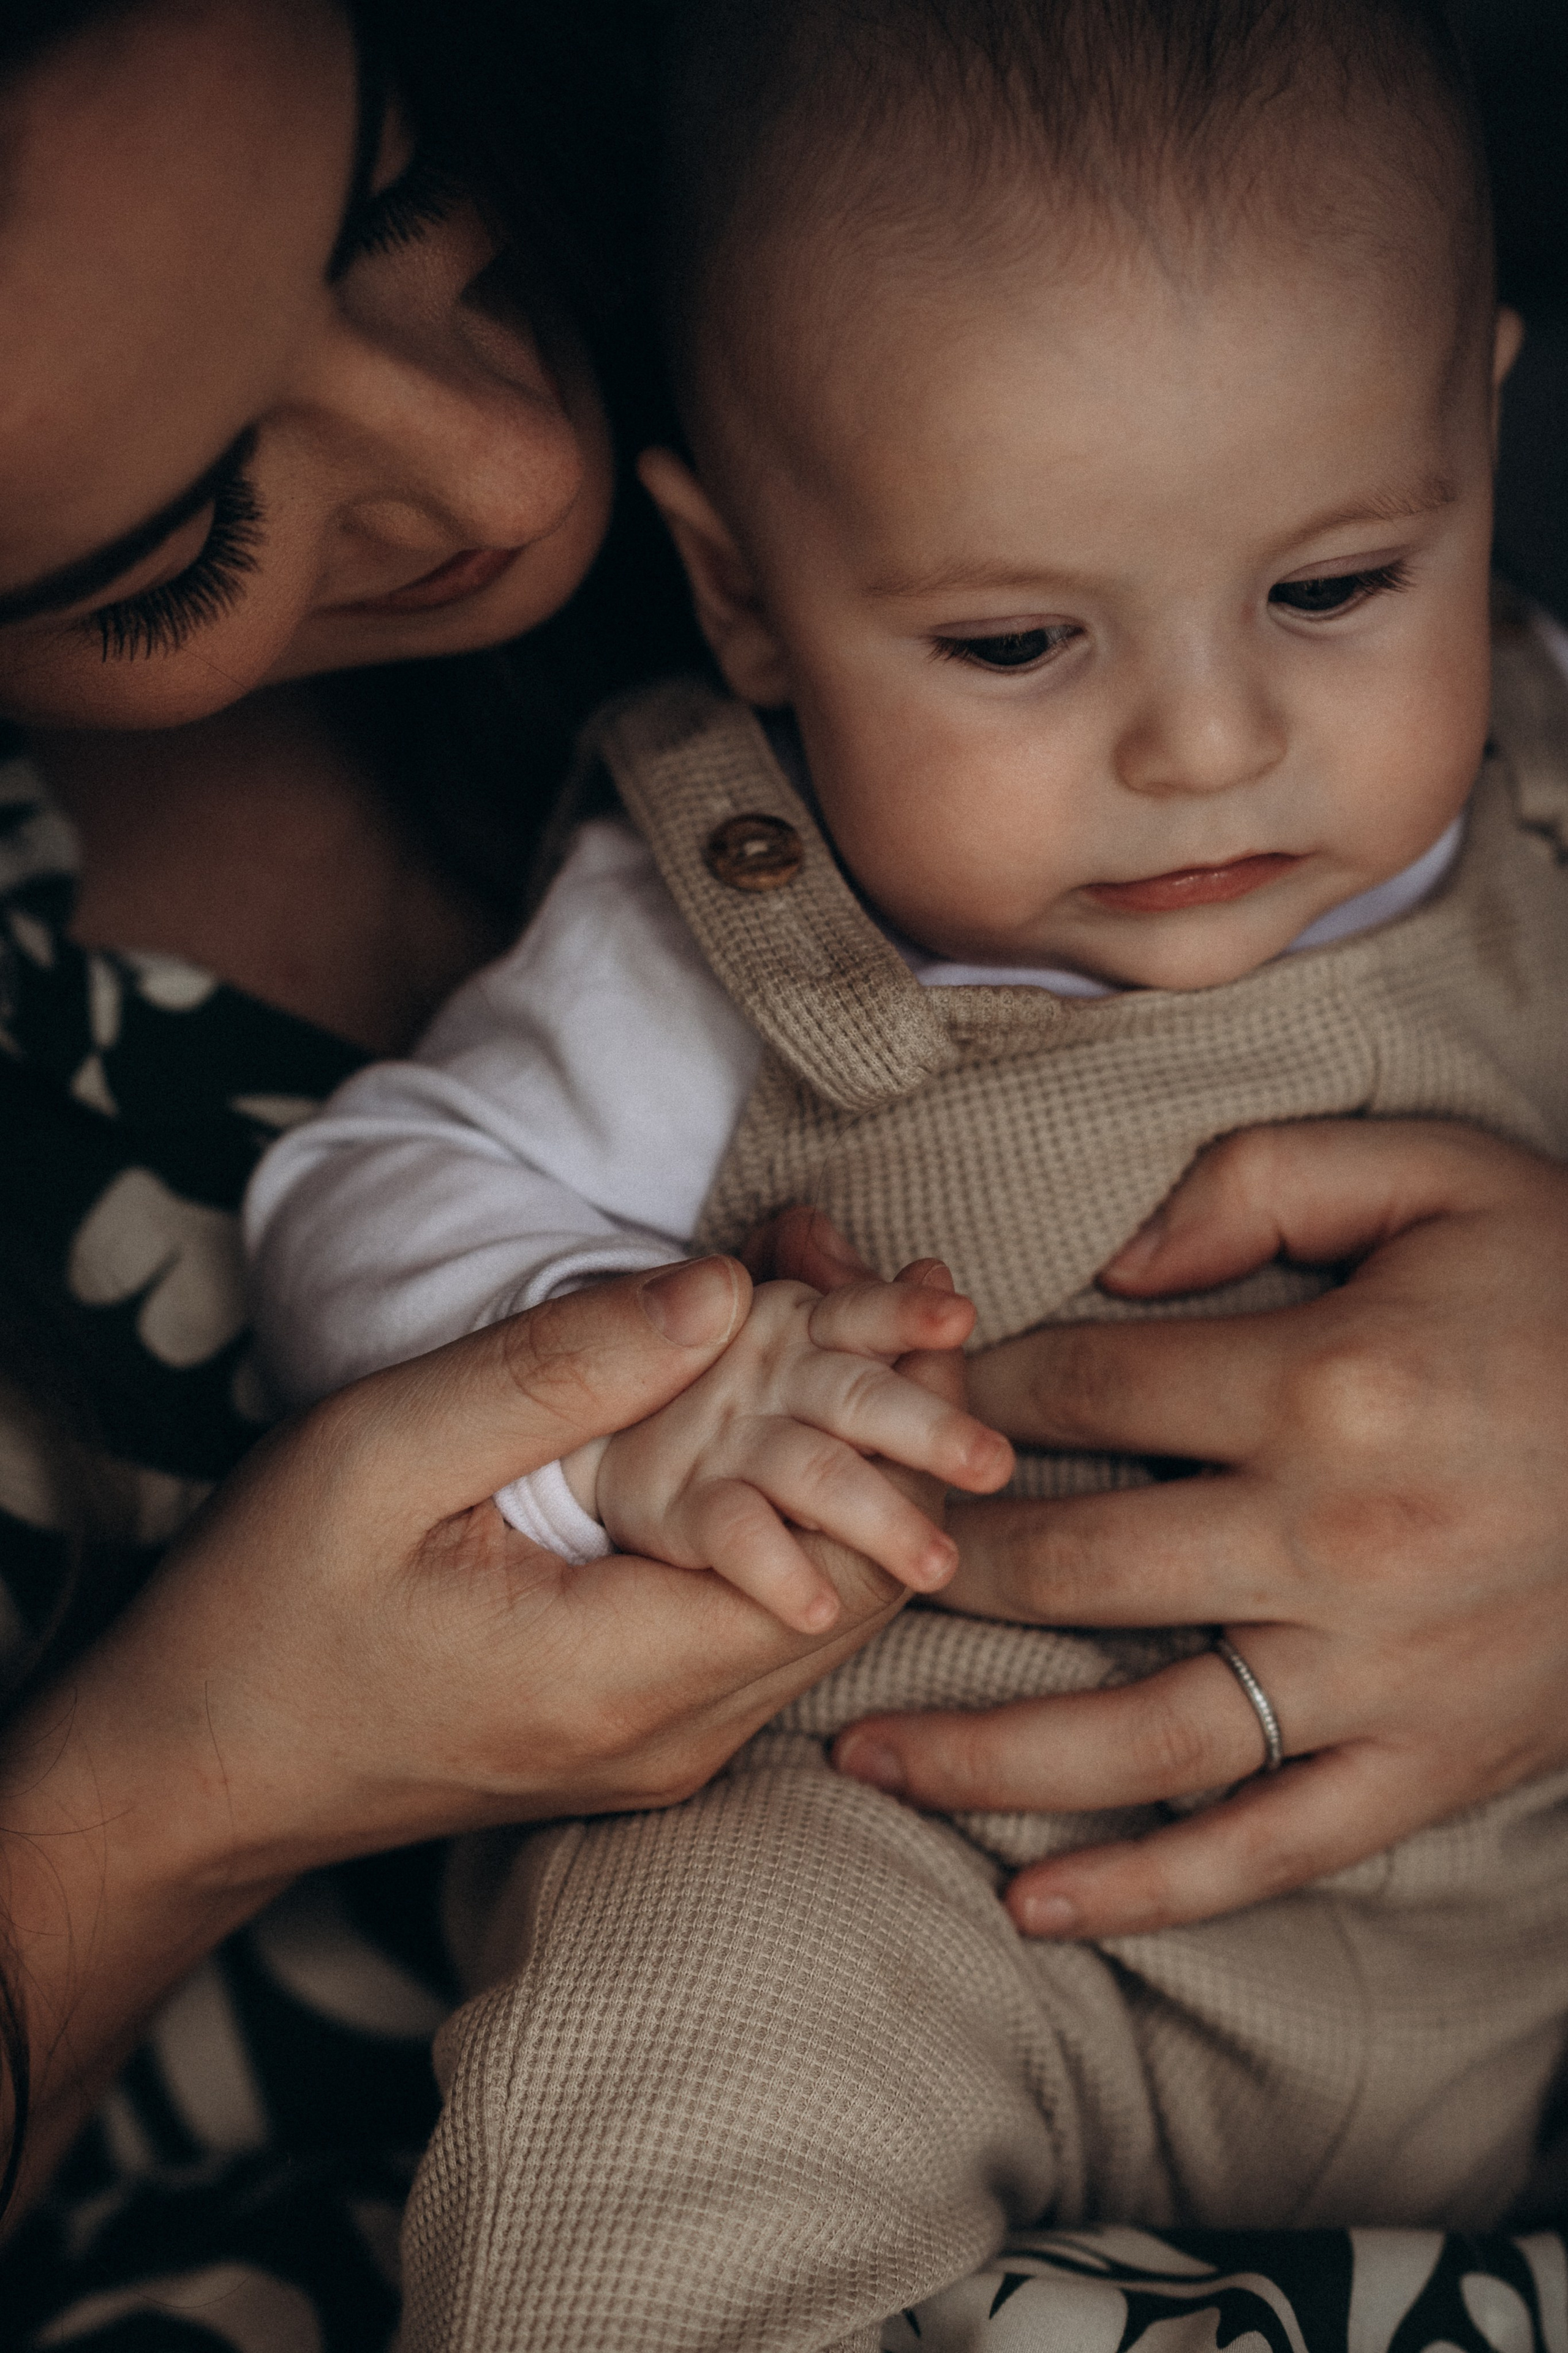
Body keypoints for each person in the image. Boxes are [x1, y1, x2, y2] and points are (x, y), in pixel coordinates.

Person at [4, 1, 1568, 2349]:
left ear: (1478, 425)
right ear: (740, 598)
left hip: (1518, 1907)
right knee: (653, 2082)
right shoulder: (708, 911)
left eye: (407, 213)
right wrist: (632, 1409)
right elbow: (387, 1191)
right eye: (1016, 642)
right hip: (925, 1903)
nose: (1214, 739)